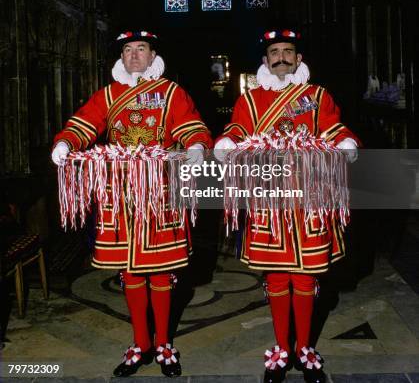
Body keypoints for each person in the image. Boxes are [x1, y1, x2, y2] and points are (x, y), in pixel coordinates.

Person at [52, 30, 212, 378]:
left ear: (154, 54)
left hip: (161, 193)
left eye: (141, 49)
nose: (134, 55)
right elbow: (84, 124)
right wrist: (66, 142)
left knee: (161, 271)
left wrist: (197, 146)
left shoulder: (171, 92)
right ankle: (141, 343)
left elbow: (190, 126)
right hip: (119, 195)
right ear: (120, 58)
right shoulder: (108, 94)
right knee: (131, 271)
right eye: (128, 50)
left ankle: (164, 343)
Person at [215, 28, 359, 383]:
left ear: (298, 58)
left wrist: (346, 143)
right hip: (269, 201)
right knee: (277, 276)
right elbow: (236, 129)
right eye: (274, 51)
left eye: (287, 51)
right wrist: (224, 143)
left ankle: (305, 348)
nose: (281, 56)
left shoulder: (317, 95)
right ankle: (281, 349)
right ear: (265, 61)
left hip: (310, 199)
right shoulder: (249, 100)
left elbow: (333, 128)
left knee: (306, 276)